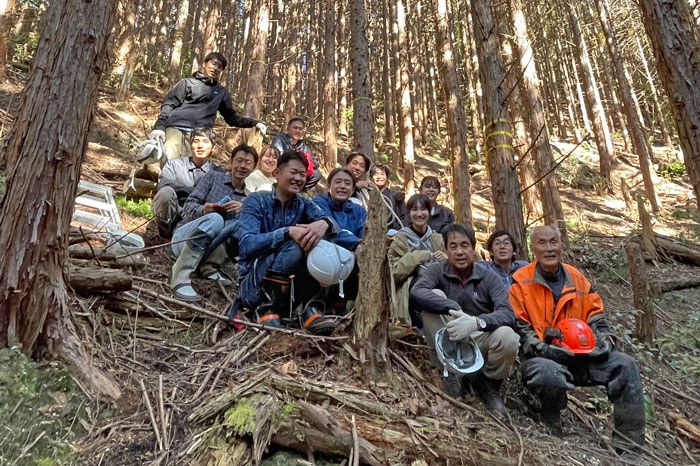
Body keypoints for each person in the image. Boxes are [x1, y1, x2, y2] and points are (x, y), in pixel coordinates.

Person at [509, 225, 645, 451]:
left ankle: (629, 447)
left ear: (562, 245)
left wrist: (605, 341)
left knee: (625, 365)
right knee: (548, 374)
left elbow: (597, 318)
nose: (549, 248)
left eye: (554, 242)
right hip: (541, 358)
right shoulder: (521, 281)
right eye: (542, 243)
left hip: (582, 357)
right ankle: (551, 421)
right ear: (533, 248)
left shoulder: (577, 278)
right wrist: (544, 349)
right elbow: (520, 328)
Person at [410, 224, 518, 415]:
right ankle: (449, 371)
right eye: (453, 246)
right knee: (433, 295)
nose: (459, 252)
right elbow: (417, 291)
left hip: (477, 335)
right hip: (448, 332)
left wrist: (476, 322)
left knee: (508, 337)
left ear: (473, 248)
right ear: (446, 249)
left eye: (464, 245)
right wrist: (451, 306)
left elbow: (508, 313)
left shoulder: (488, 276)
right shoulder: (437, 270)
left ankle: (486, 383)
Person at [229, 150, 338, 335]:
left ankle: (310, 308)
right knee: (298, 241)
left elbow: (334, 225)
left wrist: (325, 223)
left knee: (318, 239)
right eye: (293, 172)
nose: (298, 178)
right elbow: (246, 245)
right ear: (277, 173)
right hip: (254, 285)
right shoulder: (256, 201)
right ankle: (265, 308)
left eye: (302, 175)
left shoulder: (303, 203)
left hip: (289, 289)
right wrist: (286, 233)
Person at [169, 144, 257, 302]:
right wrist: (204, 210)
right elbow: (188, 206)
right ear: (231, 162)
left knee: (244, 224)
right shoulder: (213, 177)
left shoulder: (249, 198)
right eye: (239, 160)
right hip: (184, 240)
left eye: (248, 162)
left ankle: (209, 268)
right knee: (216, 219)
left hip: (208, 250)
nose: (242, 166)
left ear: (254, 167)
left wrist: (244, 211)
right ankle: (180, 275)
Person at [148, 52, 267, 161]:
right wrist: (159, 127)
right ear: (205, 64)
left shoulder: (221, 92)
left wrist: (254, 123)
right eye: (213, 64)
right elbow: (169, 104)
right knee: (167, 160)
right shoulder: (187, 83)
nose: (215, 68)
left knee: (190, 169)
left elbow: (231, 117)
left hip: (200, 135)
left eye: (220, 67)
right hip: (175, 128)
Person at [151, 128, 222, 238]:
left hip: (199, 216)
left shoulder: (218, 173)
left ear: (213, 147)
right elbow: (163, 186)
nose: (200, 146)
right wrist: (198, 192)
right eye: (196, 141)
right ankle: (165, 237)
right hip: (175, 211)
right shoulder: (174, 164)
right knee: (165, 193)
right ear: (190, 144)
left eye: (205, 142)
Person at [388, 194, 446, 328]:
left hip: (438, 284)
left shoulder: (438, 239)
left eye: (423, 209)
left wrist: (446, 260)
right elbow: (394, 273)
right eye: (414, 210)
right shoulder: (399, 239)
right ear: (408, 213)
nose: (419, 214)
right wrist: (420, 256)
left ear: (429, 212)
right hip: (409, 291)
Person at [271, 117, 321, 190]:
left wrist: (307, 161)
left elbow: (315, 163)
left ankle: (298, 190)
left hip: (298, 172)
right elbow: (277, 157)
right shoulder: (280, 139)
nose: (298, 131)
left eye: (300, 129)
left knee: (317, 173)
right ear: (288, 129)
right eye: (295, 128)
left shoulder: (304, 147)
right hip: (283, 170)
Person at [370, 164, 406, 232]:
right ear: (371, 178)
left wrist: (396, 230)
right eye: (376, 174)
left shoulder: (396, 196)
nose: (379, 177)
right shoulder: (366, 195)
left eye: (382, 174)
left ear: (387, 177)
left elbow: (404, 217)